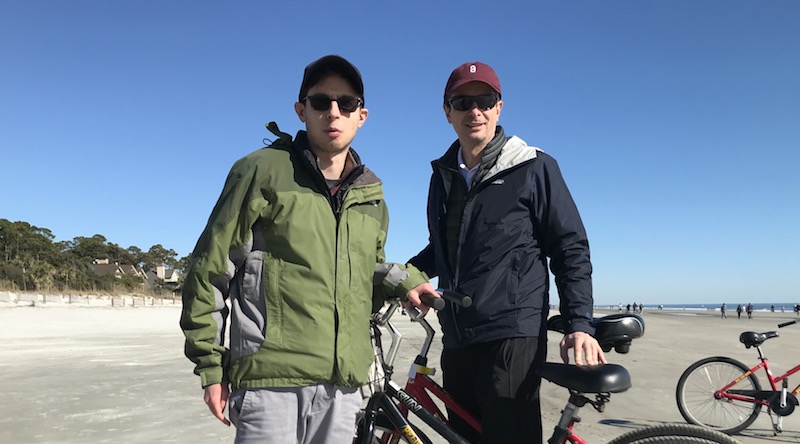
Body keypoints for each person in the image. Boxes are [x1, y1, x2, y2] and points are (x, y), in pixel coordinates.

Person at [179, 55, 435, 444]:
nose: (333, 112)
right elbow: (210, 270)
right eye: (321, 102)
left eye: (346, 103)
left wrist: (405, 281)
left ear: (361, 115)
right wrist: (211, 367)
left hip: (343, 387)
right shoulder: (262, 171)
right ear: (301, 110)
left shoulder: (371, 196)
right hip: (271, 382)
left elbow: (364, 275)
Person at [406, 61, 606, 444]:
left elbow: (570, 247)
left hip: (511, 334)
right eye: (463, 102)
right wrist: (406, 276)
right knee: (464, 436)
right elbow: (444, 248)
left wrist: (579, 322)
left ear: (499, 108)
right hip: (458, 335)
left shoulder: (533, 167)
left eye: (485, 100)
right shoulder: (442, 176)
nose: (474, 111)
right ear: (447, 111)